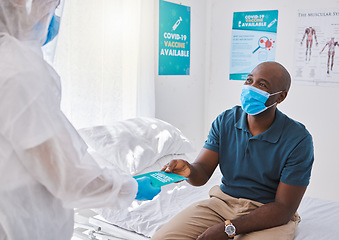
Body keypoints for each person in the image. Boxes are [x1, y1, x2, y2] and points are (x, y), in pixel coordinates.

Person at [0, 0, 160, 239]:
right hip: (23, 225)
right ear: (26, 10)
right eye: (51, 9)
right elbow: (69, 178)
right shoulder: (21, 72)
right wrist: (130, 188)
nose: (54, 20)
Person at [151, 61, 314, 240]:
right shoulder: (226, 121)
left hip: (268, 213)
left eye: (262, 84)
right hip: (222, 204)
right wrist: (189, 170)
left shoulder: (298, 139)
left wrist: (227, 229)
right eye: (249, 80)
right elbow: (203, 172)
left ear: (280, 97)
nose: (251, 88)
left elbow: (283, 208)